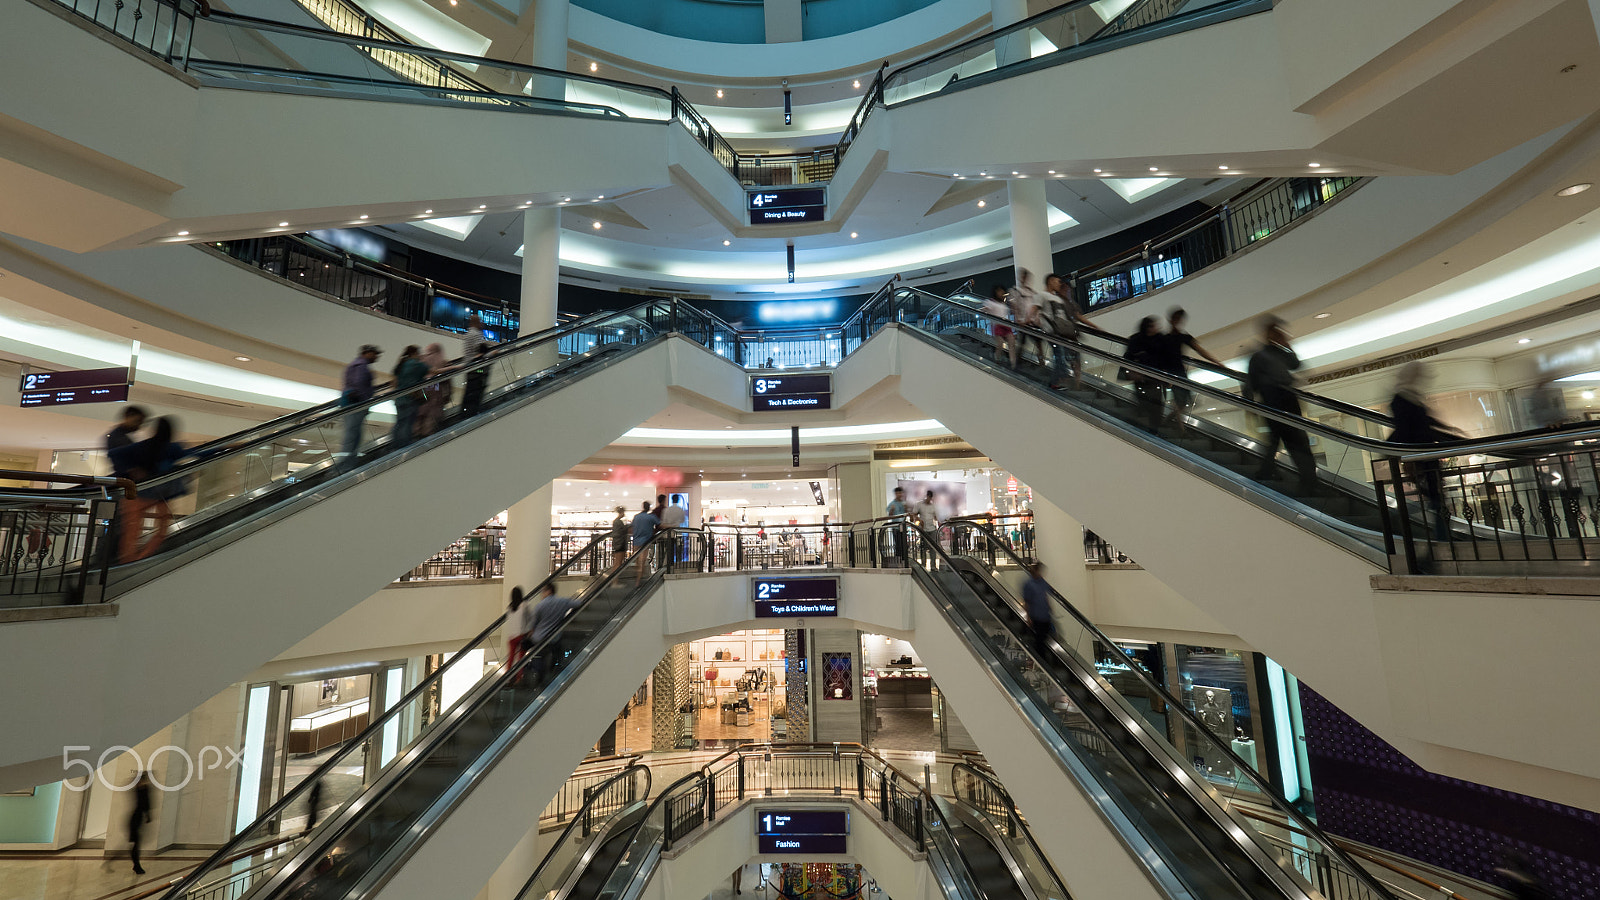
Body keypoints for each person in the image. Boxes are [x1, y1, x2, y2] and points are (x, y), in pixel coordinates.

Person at [1389, 361, 1463, 541]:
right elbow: (1405, 430)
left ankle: (1441, 536)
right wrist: (1404, 456)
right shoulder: (1401, 400)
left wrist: (1449, 430)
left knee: (1435, 498)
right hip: (1420, 456)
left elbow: (1424, 422)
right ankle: (1439, 537)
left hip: (1426, 455)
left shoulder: (1411, 397)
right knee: (1434, 498)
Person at [1246, 316, 1318, 494]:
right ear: (1267, 333)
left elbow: (1296, 364)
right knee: (1287, 438)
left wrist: (1287, 344)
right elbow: (1251, 381)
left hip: (1287, 398)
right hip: (1272, 399)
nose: (1277, 335)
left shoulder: (1280, 353)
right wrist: (1250, 405)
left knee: (1286, 438)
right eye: (1274, 332)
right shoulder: (1258, 356)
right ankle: (1303, 478)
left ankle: (1270, 471)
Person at [109, 417, 185, 563]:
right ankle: (144, 557)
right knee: (162, 529)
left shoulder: (145, 446)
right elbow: (197, 454)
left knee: (132, 531)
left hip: (138, 494)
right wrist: (222, 449)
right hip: (161, 495)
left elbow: (114, 454)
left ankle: (128, 560)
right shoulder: (173, 448)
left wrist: (132, 469)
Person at [1155, 307, 1224, 426]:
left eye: (1179, 319)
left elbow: (1200, 350)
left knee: (1184, 401)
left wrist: (1216, 361)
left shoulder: (1182, 336)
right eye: (1175, 319)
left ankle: (1169, 422)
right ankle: (1180, 429)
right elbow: (1158, 356)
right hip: (1171, 373)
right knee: (1180, 401)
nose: (1177, 322)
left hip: (1179, 372)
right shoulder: (1164, 338)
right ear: (1171, 320)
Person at [1042, 274, 1095, 389]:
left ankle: (1074, 383)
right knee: (1064, 356)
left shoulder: (1069, 302)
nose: (1066, 290)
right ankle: (1062, 381)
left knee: (1072, 358)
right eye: (1063, 287)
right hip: (1060, 334)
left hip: (1069, 334)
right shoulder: (1054, 300)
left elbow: (1076, 315)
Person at [527, 583, 582, 683]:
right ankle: (554, 672)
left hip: (539, 638)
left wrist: (531, 632)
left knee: (540, 657)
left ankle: (540, 678)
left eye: (543, 591)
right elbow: (578, 603)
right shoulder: (562, 602)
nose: (542, 594)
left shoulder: (540, 605)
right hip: (554, 638)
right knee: (556, 653)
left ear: (548, 591)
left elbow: (533, 623)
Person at [338, 344, 381, 469]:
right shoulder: (362, 366)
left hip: (349, 403)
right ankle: (346, 465)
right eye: (374, 353)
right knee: (352, 437)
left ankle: (346, 463)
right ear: (366, 353)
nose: (376, 357)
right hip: (356, 404)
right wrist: (365, 402)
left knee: (351, 435)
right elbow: (359, 385)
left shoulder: (354, 365)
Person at [1124, 316, 1166, 433]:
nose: (1155, 328)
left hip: (1155, 379)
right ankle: (1145, 428)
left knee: (1156, 406)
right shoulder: (1136, 340)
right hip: (1141, 380)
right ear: (1146, 327)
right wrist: (1131, 373)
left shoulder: (1160, 339)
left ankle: (1153, 430)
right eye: (1152, 326)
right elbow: (1128, 358)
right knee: (1146, 403)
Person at [390, 345, 429, 448]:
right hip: (410, 400)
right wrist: (455, 367)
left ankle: (395, 445)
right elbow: (432, 371)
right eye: (419, 353)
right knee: (407, 424)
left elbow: (394, 382)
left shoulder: (401, 364)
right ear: (414, 353)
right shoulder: (416, 365)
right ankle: (403, 447)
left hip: (399, 399)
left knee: (399, 423)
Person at [1009, 268, 1044, 369]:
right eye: (1023, 276)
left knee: (1038, 343)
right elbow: (1014, 307)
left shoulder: (1032, 292)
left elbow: (1037, 306)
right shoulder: (1015, 291)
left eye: (1026, 277)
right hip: (1023, 322)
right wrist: (1018, 319)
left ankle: (1042, 364)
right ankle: (1017, 364)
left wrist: (1037, 319)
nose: (1025, 279)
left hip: (1033, 322)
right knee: (1022, 343)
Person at [416, 343, 451, 437]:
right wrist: (448, 394)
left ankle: (417, 431)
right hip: (436, 388)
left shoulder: (422, 359)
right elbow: (447, 379)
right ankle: (428, 432)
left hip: (423, 387)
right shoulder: (442, 361)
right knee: (433, 410)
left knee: (423, 408)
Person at [460, 315, 490, 418]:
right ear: (476, 322)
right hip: (478, 370)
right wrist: (492, 352)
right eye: (480, 321)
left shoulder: (468, 334)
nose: (482, 323)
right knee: (476, 391)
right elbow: (482, 350)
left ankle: (464, 413)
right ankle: (471, 414)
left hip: (469, 368)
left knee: (469, 391)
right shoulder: (476, 334)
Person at [1022, 561, 1054, 656]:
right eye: (1039, 571)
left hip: (1045, 615)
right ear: (1035, 571)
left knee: (1045, 635)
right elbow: (1027, 601)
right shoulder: (1029, 584)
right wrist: (1028, 617)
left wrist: (1049, 607)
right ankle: (1041, 658)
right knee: (1039, 640)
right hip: (1036, 616)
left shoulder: (1042, 582)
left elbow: (1046, 594)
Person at [505, 586, 535, 677]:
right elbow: (530, 617)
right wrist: (531, 629)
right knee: (520, 658)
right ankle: (519, 677)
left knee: (511, 657)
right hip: (521, 635)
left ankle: (508, 677)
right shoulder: (525, 605)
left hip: (511, 637)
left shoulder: (509, 608)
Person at [128, 771, 153, 874]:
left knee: (135, 844)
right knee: (135, 844)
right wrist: (148, 815)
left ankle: (136, 865)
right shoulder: (141, 790)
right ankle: (136, 865)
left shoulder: (140, 789)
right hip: (135, 819)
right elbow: (145, 803)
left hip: (136, 819)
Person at [631, 500, 660, 582]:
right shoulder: (651, 517)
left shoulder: (636, 517)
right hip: (645, 542)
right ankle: (639, 580)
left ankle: (637, 575)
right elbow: (660, 524)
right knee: (642, 561)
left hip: (636, 541)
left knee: (637, 560)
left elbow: (632, 527)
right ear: (649, 508)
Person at [982, 286, 1012, 362]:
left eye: (1002, 292)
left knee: (1011, 343)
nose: (1001, 293)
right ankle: (997, 359)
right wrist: (984, 310)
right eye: (999, 291)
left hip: (1005, 325)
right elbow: (985, 308)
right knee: (1000, 343)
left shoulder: (1003, 304)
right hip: (996, 326)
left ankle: (1012, 362)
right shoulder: (991, 302)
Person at [660, 494, 688, 567]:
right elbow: (682, 520)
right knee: (679, 550)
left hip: (668, 533)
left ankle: (668, 565)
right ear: (678, 500)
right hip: (678, 532)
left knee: (668, 550)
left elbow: (663, 521)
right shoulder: (680, 510)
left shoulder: (666, 510)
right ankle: (678, 565)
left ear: (672, 500)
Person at [885, 486, 909, 566]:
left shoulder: (904, 503)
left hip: (903, 526)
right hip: (895, 527)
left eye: (900, 493)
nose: (899, 494)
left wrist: (906, 509)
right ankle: (898, 561)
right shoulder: (892, 504)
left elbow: (906, 514)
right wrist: (892, 510)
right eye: (897, 493)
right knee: (897, 544)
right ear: (895, 494)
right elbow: (889, 515)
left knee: (904, 544)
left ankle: (904, 560)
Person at [610, 505, 630, 570]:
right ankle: (614, 579)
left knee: (618, 562)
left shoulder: (616, 521)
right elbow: (621, 532)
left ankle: (615, 578)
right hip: (620, 544)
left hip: (618, 544)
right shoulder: (618, 522)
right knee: (618, 563)